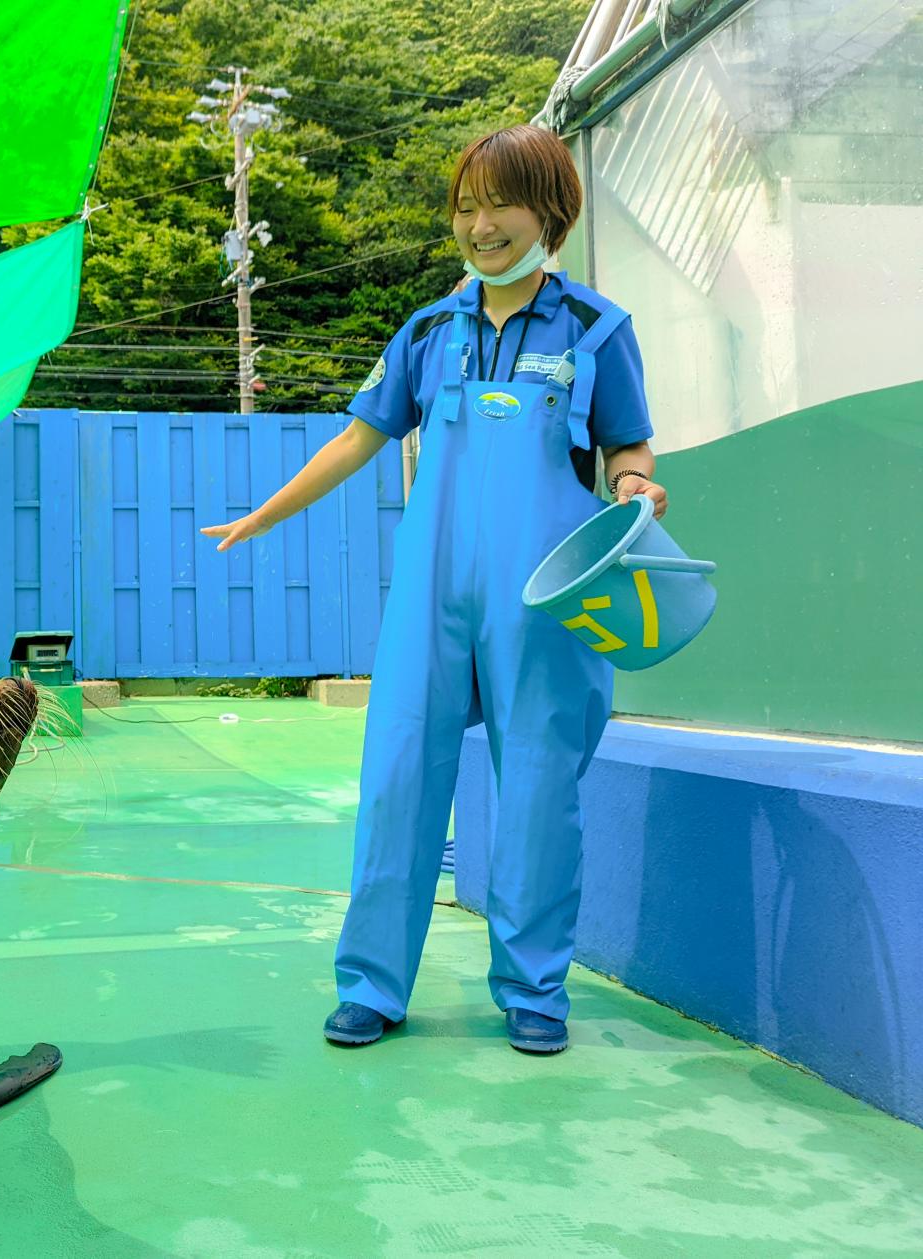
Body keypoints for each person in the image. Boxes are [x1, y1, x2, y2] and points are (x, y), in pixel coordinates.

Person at [202, 125, 668, 1055]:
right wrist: (265, 514)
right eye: (464, 207)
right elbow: (356, 439)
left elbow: (628, 445)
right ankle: (372, 984)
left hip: (544, 600)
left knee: (538, 791)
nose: (480, 224)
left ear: (552, 213)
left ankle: (535, 991)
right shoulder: (428, 332)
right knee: (399, 779)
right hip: (430, 594)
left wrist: (633, 487)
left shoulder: (596, 331)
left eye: (500, 203)